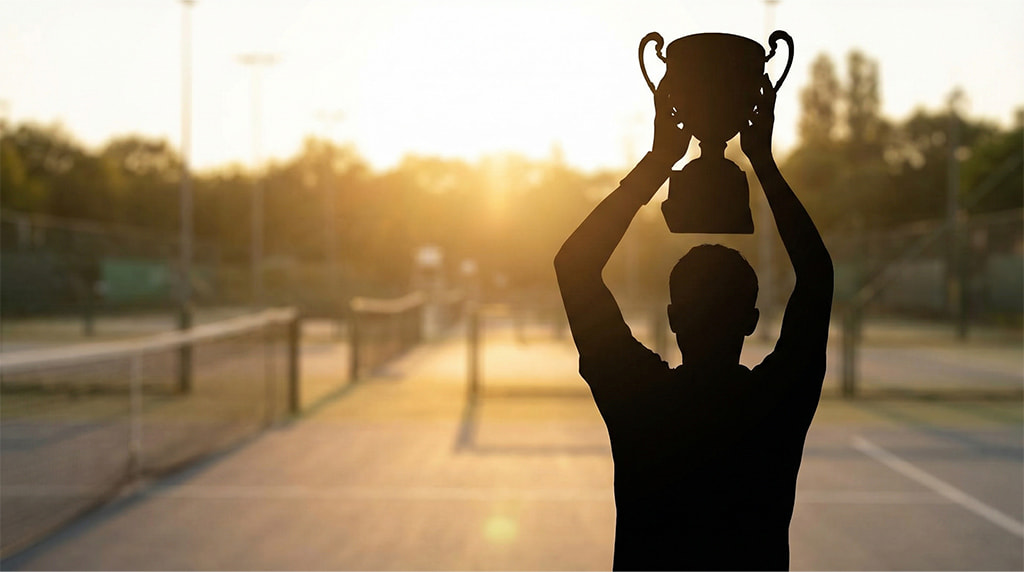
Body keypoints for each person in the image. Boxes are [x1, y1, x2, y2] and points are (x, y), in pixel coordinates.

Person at [553, 75, 834, 571]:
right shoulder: (778, 401)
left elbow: (574, 265)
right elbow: (817, 275)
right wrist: (763, 164)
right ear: (751, 320)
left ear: (673, 318)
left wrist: (659, 160)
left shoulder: (638, 396)